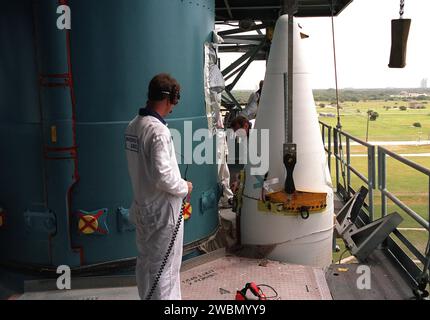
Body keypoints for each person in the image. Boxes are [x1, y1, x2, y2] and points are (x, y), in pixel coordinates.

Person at [125, 73, 193, 300]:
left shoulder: (133, 126)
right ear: (170, 99)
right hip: (163, 215)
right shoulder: (158, 131)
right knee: (166, 271)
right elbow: (163, 176)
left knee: (146, 265)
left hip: (143, 209)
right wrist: (185, 187)